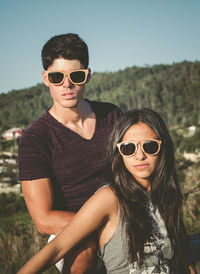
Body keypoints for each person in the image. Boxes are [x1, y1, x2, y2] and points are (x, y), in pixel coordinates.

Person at [18, 108, 195, 274]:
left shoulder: (167, 196)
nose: (139, 155)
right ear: (119, 153)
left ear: (163, 148)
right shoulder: (110, 198)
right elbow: (57, 248)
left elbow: (182, 257)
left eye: (149, 146)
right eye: (128, 148)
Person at [18, 33, 122, 273]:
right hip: (73, 229)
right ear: (46, 78)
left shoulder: (112, 116)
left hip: (123, 217)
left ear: (87, 76)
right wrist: (100, 225)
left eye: (76, 76)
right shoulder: (36, 139)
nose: (67, 84)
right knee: (84, 246)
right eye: (57, 77)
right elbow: (43, 219)